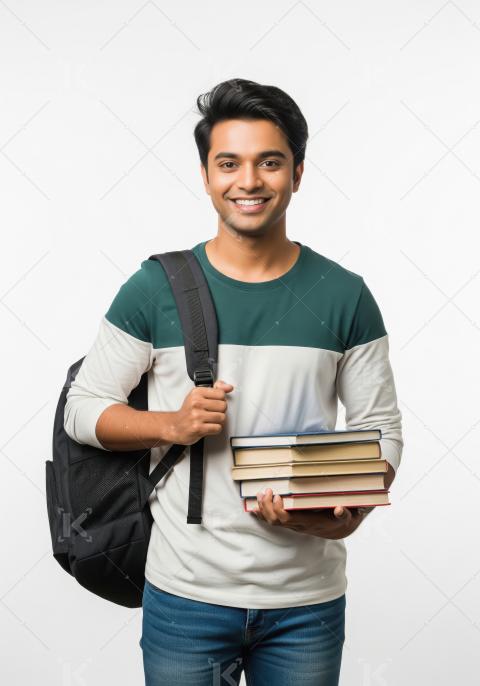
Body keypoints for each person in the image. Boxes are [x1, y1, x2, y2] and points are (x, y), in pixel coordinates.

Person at [64, 78, 403, 686]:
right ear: (206, 175)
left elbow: (382, 432)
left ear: (297, 173)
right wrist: (171, 424)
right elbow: (83, 410)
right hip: (185, 598)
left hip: (308, 602)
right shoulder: (154, 289)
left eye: (269, 162)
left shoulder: (345, 295)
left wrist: (345, 514)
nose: (248, 181)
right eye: (229, 163)